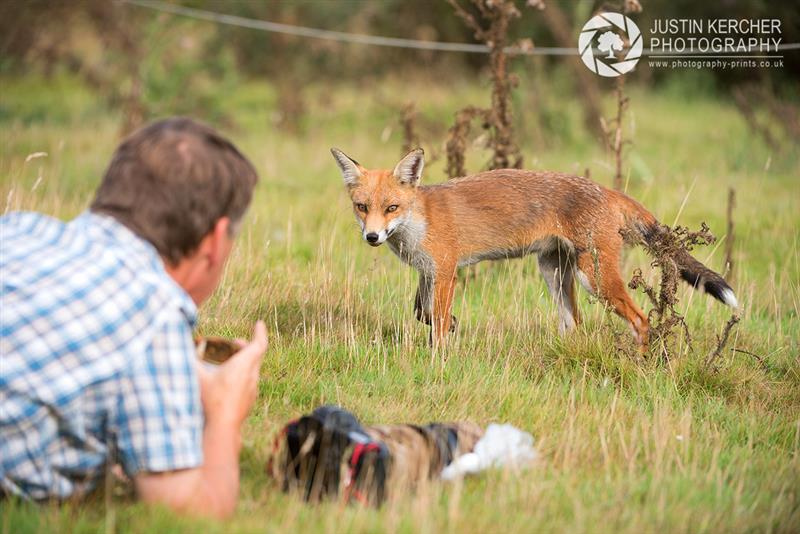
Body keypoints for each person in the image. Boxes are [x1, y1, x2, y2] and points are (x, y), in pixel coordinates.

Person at [0, 117, 266, 518]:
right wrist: (227, 410)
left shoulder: (20, 228)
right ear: (215, 241)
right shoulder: (155, 316)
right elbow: (189, 513)